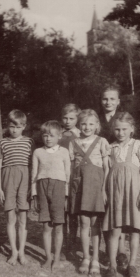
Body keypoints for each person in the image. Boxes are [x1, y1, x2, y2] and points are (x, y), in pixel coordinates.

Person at [103, 112, 140, 277]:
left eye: (124, 129)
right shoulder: (110, 148)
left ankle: (131, 265)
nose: (120, 133)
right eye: (117, 129)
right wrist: (104, 191)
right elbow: (107, 172)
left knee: (134, 231)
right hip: (116, 193)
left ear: (132, 129)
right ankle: (112, 266)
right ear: (112, 129)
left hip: (134, 193)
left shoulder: (139, 146)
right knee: (114, 230)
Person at [69, 109, 109, 274]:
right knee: (83, 223)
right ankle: (85, 257)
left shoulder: (101, 141)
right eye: (84, 123)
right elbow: (71, 169)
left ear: (97, 125)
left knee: (95, 224)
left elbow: (107, 168)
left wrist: (104, 189)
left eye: (91, 124)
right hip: (80, 188)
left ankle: (95, 260)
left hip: (96, 187)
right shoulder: (73, 143)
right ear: (79, 125)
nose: (87, 127)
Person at [32, 120, 70, 271]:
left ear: (59, 136)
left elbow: (67, 175)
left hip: (59, 189)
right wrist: (34, 195)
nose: (48, 138)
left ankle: (57, 257)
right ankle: (48, 257)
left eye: (52, 135)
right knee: (46, 226)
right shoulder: (38, 152)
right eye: (45, 135)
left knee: (59, 226)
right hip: (42, 188)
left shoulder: (64, 152)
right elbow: (34, 175)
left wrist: (66, 196)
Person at [0, 109, 34, 266]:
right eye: (11, 126)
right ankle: (13, 251)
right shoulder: (3, 143)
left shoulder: (29, 142)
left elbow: (33, 165)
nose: (14, 130)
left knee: (23, 219)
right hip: (8, 180)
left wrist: (33, 185)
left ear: (24, 126)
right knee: (11, 218)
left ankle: (22, 251)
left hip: (24, 179)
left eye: (18, 127)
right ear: (7, 126)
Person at [100, 84, 128, 268]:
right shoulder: (97, 120)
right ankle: (108, 246)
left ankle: (122, 250)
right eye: (105, 99)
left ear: (118, 101)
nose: (108, 102)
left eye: (112, 99)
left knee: (120, 207)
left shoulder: (124, 120)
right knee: (104, 207)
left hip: (120, 169)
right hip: (101, 167)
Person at [59, 103, 81, 258]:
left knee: (73, 211)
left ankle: (72, 243)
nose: (67, 121)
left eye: (71, 118)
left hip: (74, 175)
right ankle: (62, 243)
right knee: (62, 210)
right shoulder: (58, 133)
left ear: (77, 119)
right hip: (60, 175)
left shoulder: (80, 134)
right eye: (65, 118)